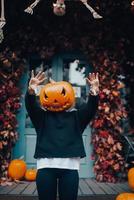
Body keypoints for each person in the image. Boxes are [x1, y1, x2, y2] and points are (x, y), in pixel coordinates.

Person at [25, 70, 99, 200]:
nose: (54, 99)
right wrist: (31, 90)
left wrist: (94, 91)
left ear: (70, 96)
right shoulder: (41, 117)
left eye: (62, 93)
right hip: (46, 168)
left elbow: (90, 109)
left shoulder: (76, 117)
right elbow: (31, 106)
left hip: (69, 169)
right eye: (48, 96)